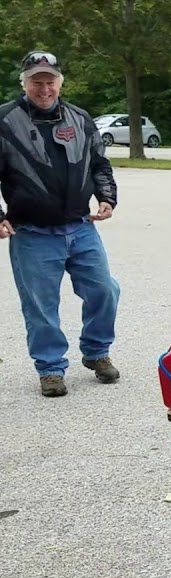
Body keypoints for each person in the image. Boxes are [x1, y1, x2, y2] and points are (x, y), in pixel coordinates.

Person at [0, 50, 121, 397]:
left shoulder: (79, 119)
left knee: (104, 289)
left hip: (81, 226)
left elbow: (100, 163)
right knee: (40, 304)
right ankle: (50, 369)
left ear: (59, 82)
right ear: (24, 82)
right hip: (32, 232)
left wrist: (107, 198)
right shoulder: (5, 121)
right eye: (36, 81)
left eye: (49, 81)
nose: (44, 88)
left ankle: (96, 352)